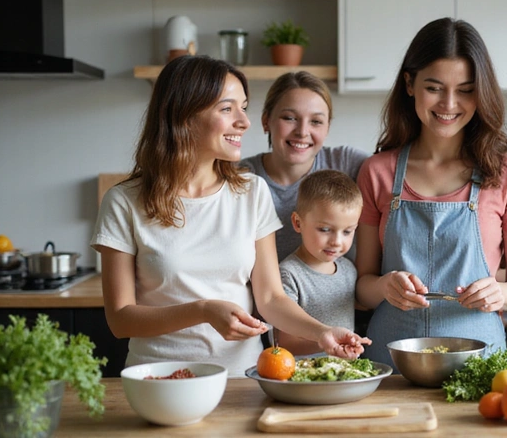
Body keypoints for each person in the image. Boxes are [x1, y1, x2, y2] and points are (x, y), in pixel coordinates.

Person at [91, 55, 369, 378]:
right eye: (227, 109)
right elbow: (120, 319)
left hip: (242, 380)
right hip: (157, 379)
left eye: (244, 107)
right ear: (183, 115)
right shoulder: (123, 202)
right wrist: (203, 310)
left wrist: (321, 332)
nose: (245, 122)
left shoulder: (251, 192)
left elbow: (270, 298)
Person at [355, 17, 507, 368]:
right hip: (391, 359)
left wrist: (499, 293)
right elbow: (362, 287)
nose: (449, 103)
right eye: (435, 87)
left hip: (479, 359)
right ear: (410, 84)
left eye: (466, 89)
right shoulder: (377, 172)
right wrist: (384, 287)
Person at [238, 71, 369, 262]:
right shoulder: (241, 177)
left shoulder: (347, 164)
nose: (302, 132)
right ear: (266, 121)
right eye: (289, 118)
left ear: (327, 128)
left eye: (316, 121)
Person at [275, 170, 363, 356]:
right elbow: (285, 343)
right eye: (325, 229)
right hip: (303, 378)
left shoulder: (348, 270)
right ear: (298, 223)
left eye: (347, 232)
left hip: (344, 375)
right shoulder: (288, 274)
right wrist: (328, 343)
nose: (337, 242)